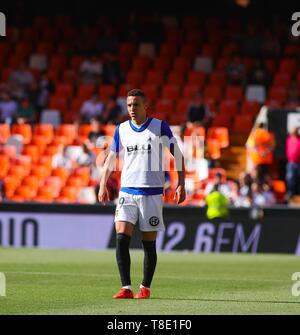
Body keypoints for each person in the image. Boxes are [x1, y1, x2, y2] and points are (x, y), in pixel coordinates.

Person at [98, 89, 186, 299]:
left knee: (148, 243)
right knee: (121, 238)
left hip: (152, 193)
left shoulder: (159, 126)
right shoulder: (122, 129)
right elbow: (111, 159)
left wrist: (182, 183)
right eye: (129, 105)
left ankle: (145, 287)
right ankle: (126, 287)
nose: (132, 109)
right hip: (127, 190)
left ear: (146, 106)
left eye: (136, 105)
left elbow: (178, 154)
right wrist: (102, 184)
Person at [286, 127, 300, 199]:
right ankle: (291, 195)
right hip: (291, 163)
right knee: (290, 179)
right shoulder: (289, 139)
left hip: (299, 163)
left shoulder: (299, 139)